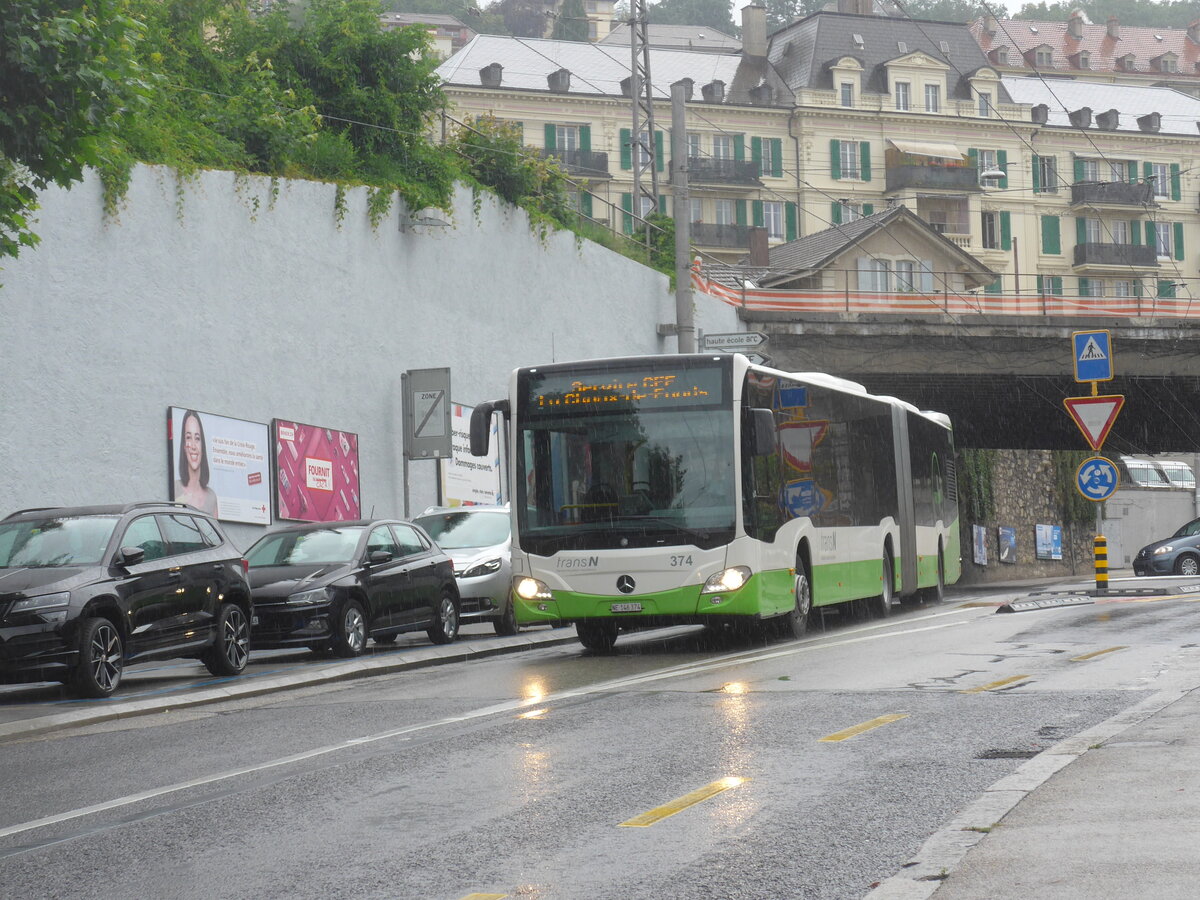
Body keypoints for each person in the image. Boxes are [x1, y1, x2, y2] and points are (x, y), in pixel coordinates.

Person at [174, 410, 219, 516]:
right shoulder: (175, 489)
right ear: (184, 446)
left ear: (202, 445)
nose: (193, 446)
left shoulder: (211, 497)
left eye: (197, 438)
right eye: (188, 438)